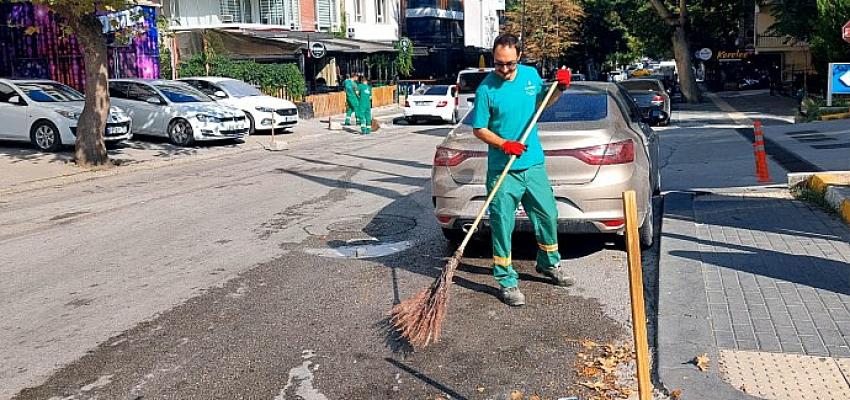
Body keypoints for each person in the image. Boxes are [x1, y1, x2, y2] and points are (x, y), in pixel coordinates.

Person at [470, 33, 575, 307]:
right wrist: (505, 144)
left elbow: (543, 102)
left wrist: (560, 89)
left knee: (548, 215)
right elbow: (479, 128)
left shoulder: (530, 76)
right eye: (498, 64)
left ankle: (548, 264)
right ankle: (506, 279)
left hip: (533, 164)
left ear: (519, 57)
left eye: (509, 64)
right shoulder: (486, 90)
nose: (504, 70)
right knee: (503, 225)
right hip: (503, 169)